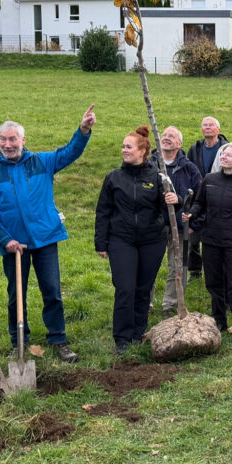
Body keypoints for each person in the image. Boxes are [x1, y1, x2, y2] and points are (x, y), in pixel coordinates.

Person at [0, 105, 96, 363]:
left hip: (44, 239)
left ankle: (58, 339)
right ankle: (18, 341)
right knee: (15, 295)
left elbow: (69, 153)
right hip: (13, 244)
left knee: (52, 290)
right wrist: (5, 240)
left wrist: (83, 130)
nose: (8, 144)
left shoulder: (42, 162)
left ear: (23, 140)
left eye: (13, 139)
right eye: (3, 140)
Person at [95, 126, 179, 354]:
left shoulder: (158, 178)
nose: (124, 150)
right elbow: (103, 211)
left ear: (143, 151)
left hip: (152, 241)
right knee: (125, 288)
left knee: (143, 288)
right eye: (123, 146)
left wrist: (174, 199)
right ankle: (122, 338)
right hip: (121, 240)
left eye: (128, 147)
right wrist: (101, 243)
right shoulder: (114, 178)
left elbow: (169, 209)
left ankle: (137, 332)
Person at [184, 144, 232, 340]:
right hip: (211, 240)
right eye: (223, 154)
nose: (223, 157)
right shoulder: (210, 180)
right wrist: (192, 213)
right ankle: (219, 319)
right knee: (213, 282)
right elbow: (200, 203)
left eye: (228, 155)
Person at [153, 126, 202, 318]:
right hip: (154, 226)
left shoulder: (189, 168)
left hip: (180, 228)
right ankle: (146, 303)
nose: (166, 138)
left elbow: (200, 198)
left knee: (176, 267)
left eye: (171, 136)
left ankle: (169, 305)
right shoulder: (150, 164)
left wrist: (193, 223)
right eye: (164, 135)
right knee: (151, 265)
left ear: (179, 144)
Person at [185, 116, 228, 279]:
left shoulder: (226, 148)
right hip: (198, 197)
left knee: (215, 237)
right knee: (193, 236)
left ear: (218, 129)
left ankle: (216, 269)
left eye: (211, 125)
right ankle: (195, 269)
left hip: (219, 196)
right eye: (205, 125)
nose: (207, 127)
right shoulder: (195, 148)